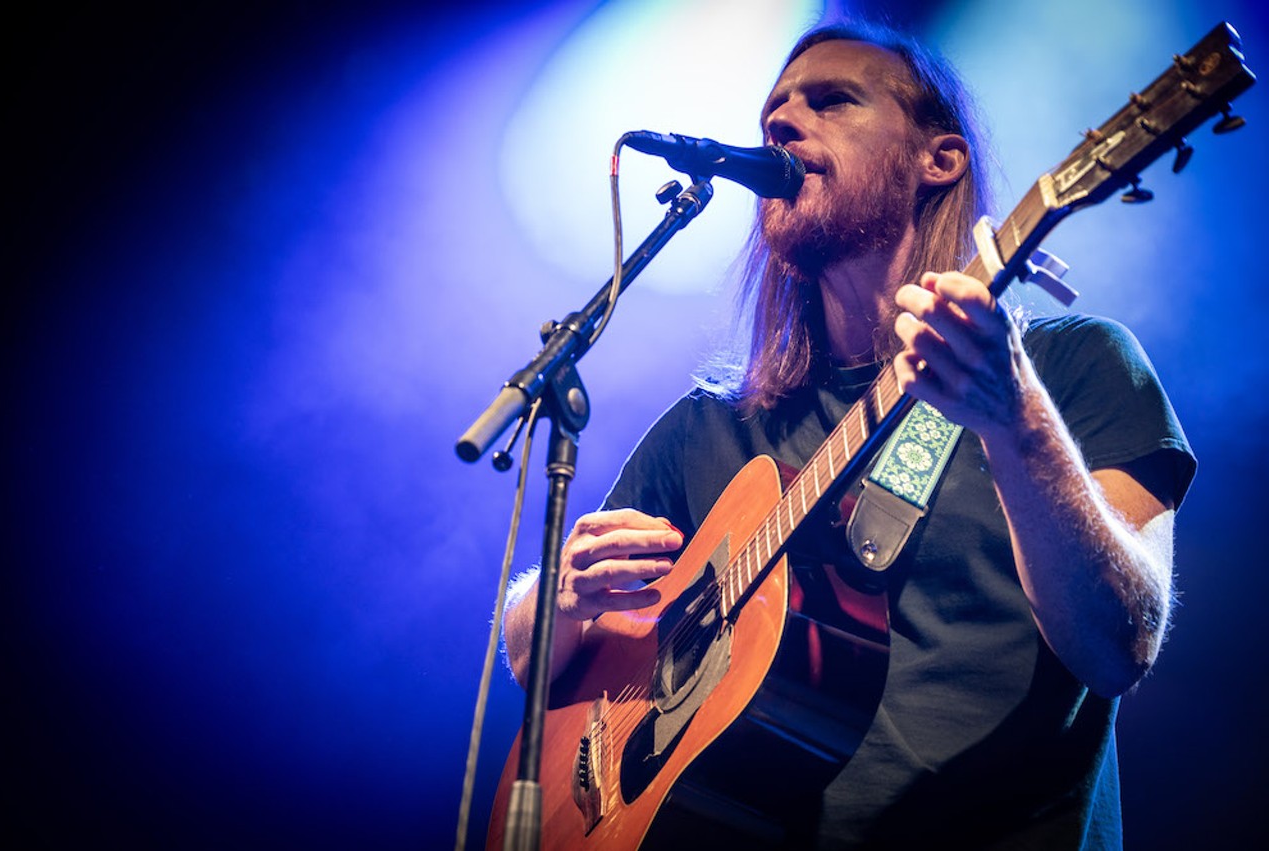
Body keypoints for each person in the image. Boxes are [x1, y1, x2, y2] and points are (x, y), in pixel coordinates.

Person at [500, 19, 1195, 850]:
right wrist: (564, 596)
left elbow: (1122, 645)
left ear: (939, 158)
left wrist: (1017, 422)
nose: (785, 123)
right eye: (775, 114)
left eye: (832, 101)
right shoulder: (712, 425)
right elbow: (531, 659)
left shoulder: (1073, 366)